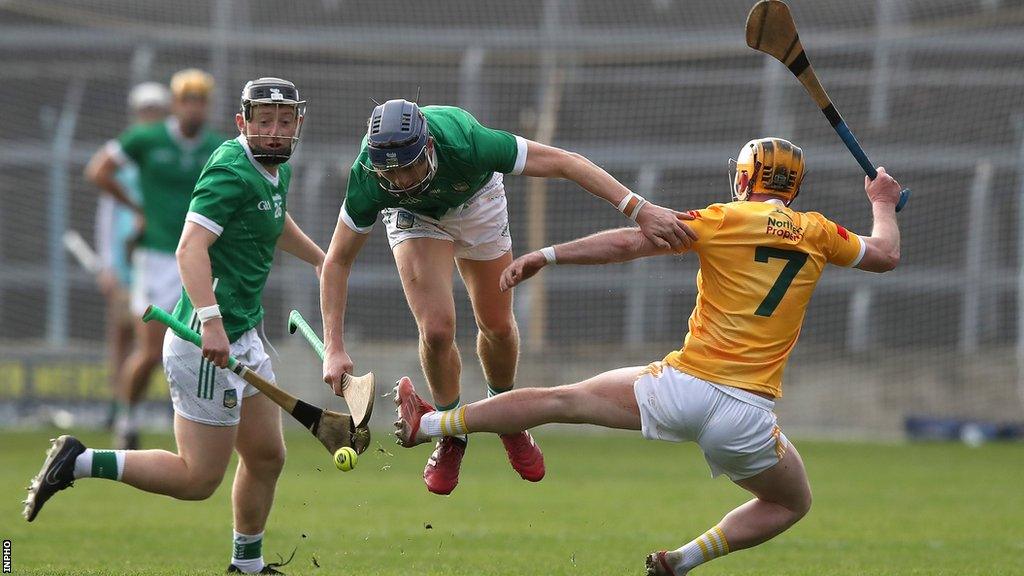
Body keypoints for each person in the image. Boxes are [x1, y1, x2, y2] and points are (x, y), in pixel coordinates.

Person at [394, 137, 903, 574]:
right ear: (795, 185)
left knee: (560, 400)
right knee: (792, 503)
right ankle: (682, 560)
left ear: (745, 179)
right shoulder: (818, 232)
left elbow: (629, 244)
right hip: (747, 416)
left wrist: (547, 256)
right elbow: (885, 255)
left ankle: (433, 425)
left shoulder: (720, 219)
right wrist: (881, 200)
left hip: (681, 388)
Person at [321, 99, 698, 495]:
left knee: (497, 326)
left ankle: (507, 416)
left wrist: (640, 209)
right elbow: (337, 262)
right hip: (415, 221)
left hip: (475, 201)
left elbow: (565, 162)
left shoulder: (468, 143)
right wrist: (334, 346)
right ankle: (451, 432)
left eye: (410, 166)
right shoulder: (368, 175)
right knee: (435, 330)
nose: (402, 181)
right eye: (391, 172)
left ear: (429, 146)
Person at [26, 77, 322, 576]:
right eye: (264, 121)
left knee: (267, 456)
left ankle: (246, 566)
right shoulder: (231, 170)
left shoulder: (275, 169)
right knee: (197, 478)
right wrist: (210, 323)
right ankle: (76, 460)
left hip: (244, 333)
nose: (275, 131)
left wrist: (323, 259)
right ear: (242, 122)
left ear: (297, 124)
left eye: (285, 121)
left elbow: (272, 220)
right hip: (203, 340)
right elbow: (189, 248)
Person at [85, 68, 224, 449]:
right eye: (187, 101)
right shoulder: (146, 139)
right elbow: (98, 170)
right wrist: (136, 208)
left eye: (201, 101)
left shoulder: (217, 146)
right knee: (149, 350)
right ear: (175, 104)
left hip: (199, 260)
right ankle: (126, 419)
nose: (194, 109)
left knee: (201, 348)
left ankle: (196, 425)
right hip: (156, 259)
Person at [86, 81, 171, 430]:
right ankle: (119, 403)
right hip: (125, 265)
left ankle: (154, 405)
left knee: (157, 340)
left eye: (155, 111)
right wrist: (107, 263)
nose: (149, 117)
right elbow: (107, 215)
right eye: (144, 111)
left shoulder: (159, 157)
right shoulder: (124, 154)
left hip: (155, 260)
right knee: (122, 336)